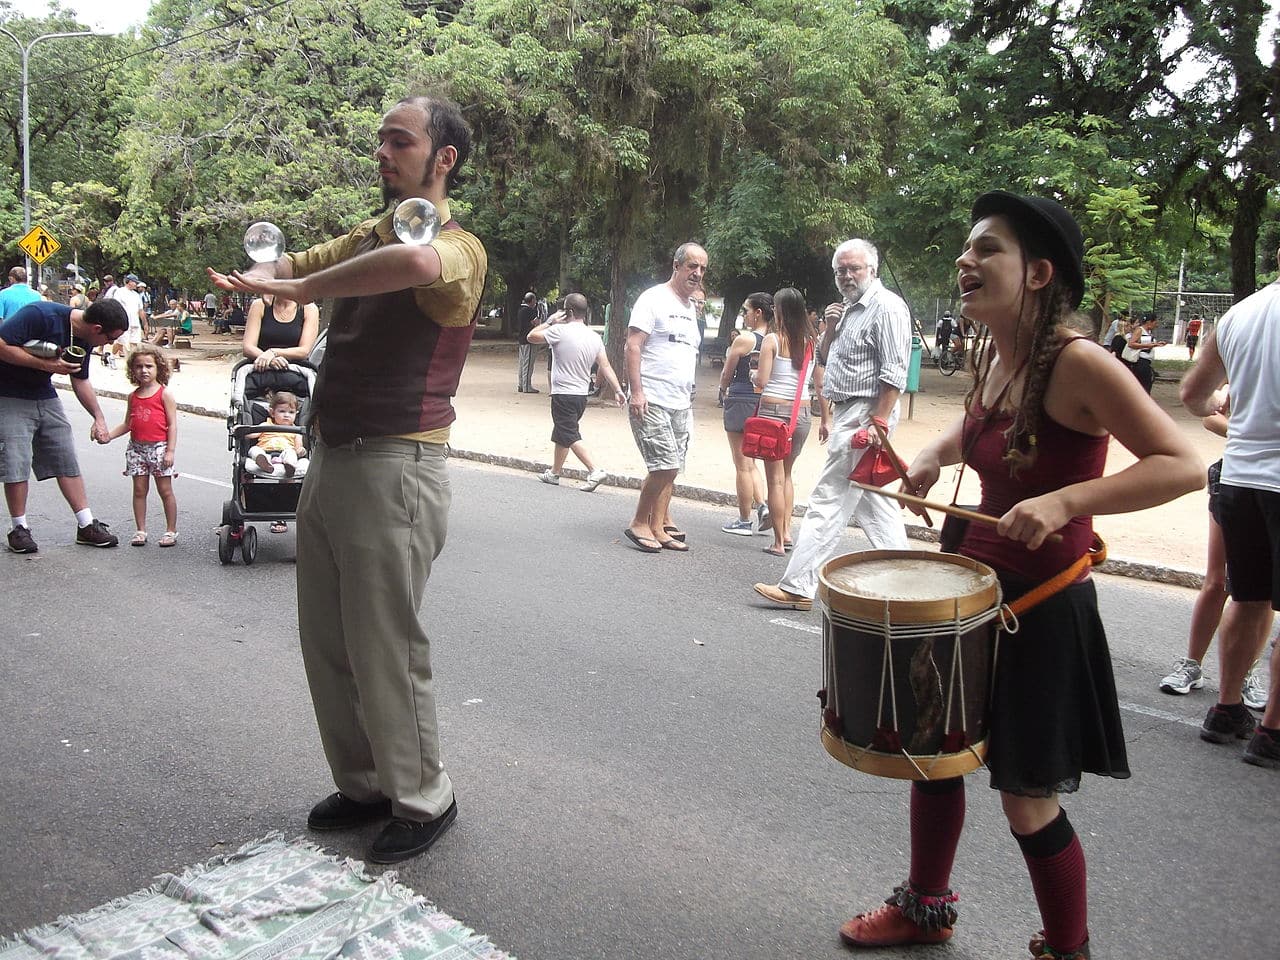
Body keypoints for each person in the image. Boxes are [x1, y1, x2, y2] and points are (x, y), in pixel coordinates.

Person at [835, 192, 1202, 959]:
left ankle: (1068, 950)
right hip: (970, 592)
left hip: (1040, 606)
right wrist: (937, 453)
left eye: (987, 249)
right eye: (967, 248)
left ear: (1037, 272)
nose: (966, 261)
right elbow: (980, 430)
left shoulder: (1079, 362)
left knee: (1026, 799)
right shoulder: (997, 356)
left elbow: (1183, 464)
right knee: (932, 757)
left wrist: (1069, 499)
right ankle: (925, 908)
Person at [208, 91, 487, 860]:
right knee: (327, 638)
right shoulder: (374, 231)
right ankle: (365, 781)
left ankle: (424, 796)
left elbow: (411, 263)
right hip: (332, 455)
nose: (383, 153)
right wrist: (268, 271)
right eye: (380, 141)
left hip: (399, 462)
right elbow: (309, 261)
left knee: (386, 644)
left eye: (399, 141)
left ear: (444, 158)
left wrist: (300, 288)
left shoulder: (458, 247)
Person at [752, 238, 912, 611]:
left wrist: (879, 421)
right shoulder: (845, 311)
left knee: (828, 499)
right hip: (848, 410)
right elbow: (824, 358)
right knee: (874, 504)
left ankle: (798, 586)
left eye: (854, 268)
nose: (846, 275)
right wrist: (832, 329)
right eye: (841, 270)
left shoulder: (887, 308)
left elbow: (894, 372)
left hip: (866, 412)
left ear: (872, 269)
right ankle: (908, 580)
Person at [1181, 245, 1280, 770]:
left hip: (1240, 476)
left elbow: (1194, 394)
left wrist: (1231, 419)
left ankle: (1227, 707)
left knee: (1250, 595)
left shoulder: (1241, 313)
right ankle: (1272, 732)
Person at [1158, 395, 1272, 709]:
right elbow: (1211, 416)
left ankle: (1245, 673)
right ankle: (1191, 665)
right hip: (1234, 477)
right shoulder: (1253, 356)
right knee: (1216, 580)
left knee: (1259, 595)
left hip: (1273, 487)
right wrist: (1252, 433)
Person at [0, 297, 128, 553]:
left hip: (44, 393)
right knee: (16, 460)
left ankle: (86, 524)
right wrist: (48, 365)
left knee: (64, 454)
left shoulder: (84, 339)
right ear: (96, 329)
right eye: (110, 338)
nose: (110, 344)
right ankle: (19, 528)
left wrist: (98, 417)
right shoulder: (40, 314)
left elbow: (80, 379)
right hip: (9, 392)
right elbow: (2, 345)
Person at [622, 242, 706, 553]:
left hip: (680, 402)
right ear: (677, 265)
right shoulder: (653, 298)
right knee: (664, 466)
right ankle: (639, 522)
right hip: (652, 397)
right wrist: (637, 392)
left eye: (702, 269)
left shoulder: (689, 308)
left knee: (674, 468)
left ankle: (657, 526)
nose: (697, 273)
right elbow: (633, 346)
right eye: (692, 266)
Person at [526, 292, 624, 489]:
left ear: (568, 311)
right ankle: (554, 472)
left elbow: (531, 337)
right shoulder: (594, 337)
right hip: (581, 395)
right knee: (563, 430)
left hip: (563, 392)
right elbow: (605, 366)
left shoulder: (559, 331)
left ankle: (594, 470)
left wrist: (550, 321)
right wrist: (617, 389)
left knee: (569, 433)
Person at [755, 287, 817, 557]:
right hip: (801, 415)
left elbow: (763, 381)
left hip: (773, 413)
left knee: (774, 480)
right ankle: (788, 531)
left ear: (780, 311)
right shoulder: (811, 342)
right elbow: (817, 382)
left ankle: (778, 542)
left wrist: (753, 374)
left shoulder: (772, 340)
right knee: (788, 475)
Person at [104, 345, 179, 548]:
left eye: (149, 366)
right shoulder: (133, 396)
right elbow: (128, 424)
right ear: (132, 370)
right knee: (139, 490)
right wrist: (108, 436)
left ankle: (171, 530)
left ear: (159, 368)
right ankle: (140, 530)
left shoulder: (164, 395)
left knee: (165, 490)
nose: (144, 370)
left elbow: (172, 424)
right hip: (137, 449)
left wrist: (170, 451)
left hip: (159, 448)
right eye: (139, 366)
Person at [716, 292, 772, 536]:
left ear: (757, 312)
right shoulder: (773, 340)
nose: (744, 315)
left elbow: (727, 373)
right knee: (751, 461)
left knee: (741, 463)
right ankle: (762, 505)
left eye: (747, 311)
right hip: (762, 401)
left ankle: (743, 519)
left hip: (740, 398)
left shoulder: (744, 339)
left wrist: (722, 389)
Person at [241, 294, 320, 376]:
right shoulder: (259, 305)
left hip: (295, 372)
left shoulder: (309, 309)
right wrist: (269, 359)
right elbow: (248, 347)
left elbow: (304, 351)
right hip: (261, 370)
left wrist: (273, 353)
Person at [1121, 313, 1165, 394]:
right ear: (1149, 322)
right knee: (1144, 384)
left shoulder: (1148, 332)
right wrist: (1147, 345)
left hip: (1147, 361)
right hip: (1141, 361)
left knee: (1147, 383)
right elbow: (1131, 344)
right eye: (1155, 323)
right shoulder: (1139, 330)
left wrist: (1156, 344)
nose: (1156, 325)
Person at [110, 274, 148, 359]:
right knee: (121, 342)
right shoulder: (120, 292)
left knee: (134, 342)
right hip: (124, 321)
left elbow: (140, 310)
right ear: (129, 282)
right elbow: (116, 306)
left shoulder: (136, 295)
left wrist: (145, 323)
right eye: (135, 282)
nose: (136, 285)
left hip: (135, 321)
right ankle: (111, 357)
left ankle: (132, 362)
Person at [516, 292, 540, 393]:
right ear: (532, 300)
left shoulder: (520, 310)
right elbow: (534, 324)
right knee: (528, 363)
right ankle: (526, 386)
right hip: (529, 340)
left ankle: (521, 384)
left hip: (522, 339)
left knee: (522, 363)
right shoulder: (530, 311)